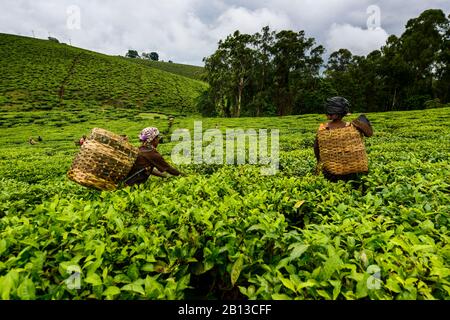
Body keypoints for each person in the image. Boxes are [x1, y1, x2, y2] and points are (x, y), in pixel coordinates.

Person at [314, 97, 373, 182]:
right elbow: (369, 133)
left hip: (333, 173)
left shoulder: (323, 130)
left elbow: (316, 148)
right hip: (356, 170)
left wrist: (319, 161)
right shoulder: (354, 126)